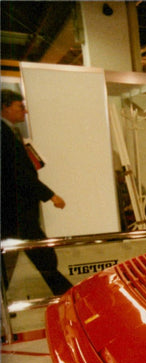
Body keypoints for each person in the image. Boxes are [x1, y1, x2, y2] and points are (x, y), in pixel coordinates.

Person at [1, 89, 71, 296]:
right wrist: (50, 195)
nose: (25, 111)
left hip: (17, 209)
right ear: (5, 107)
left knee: (32, 255)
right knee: (39, 253)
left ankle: (63, 291)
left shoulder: (10, 131)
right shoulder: (3, 133)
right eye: (20, 106)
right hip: (13, 209)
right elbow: (18, 173)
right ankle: (65, 293)